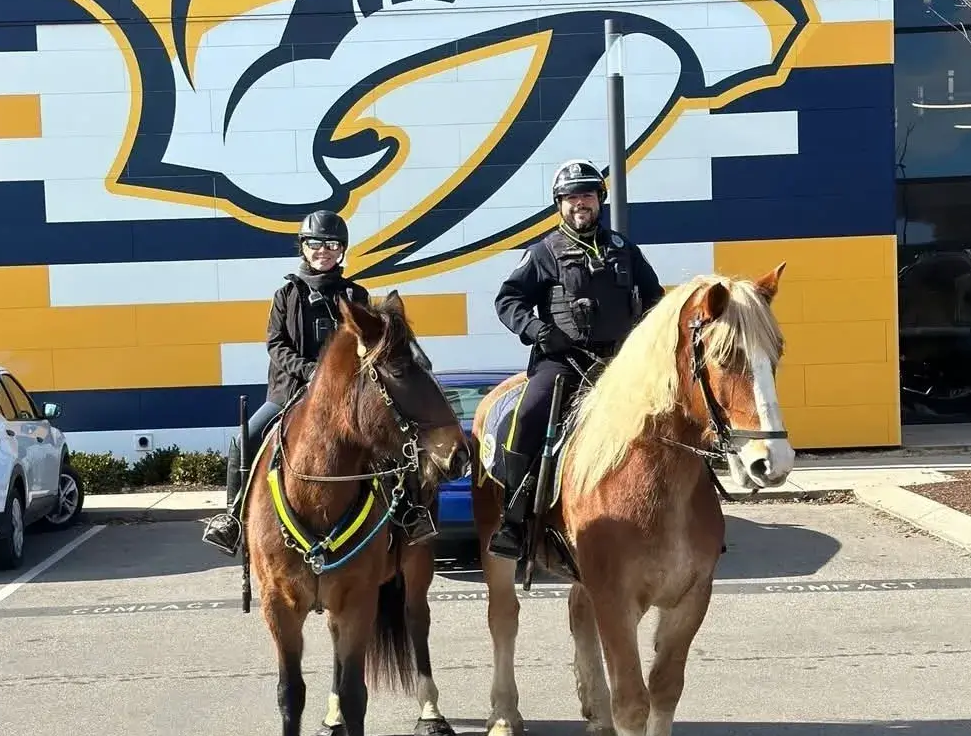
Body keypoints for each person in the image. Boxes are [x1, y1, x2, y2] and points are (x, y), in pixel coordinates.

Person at [202, 212, 438, 556]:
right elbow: (276, 345)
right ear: (303, 247)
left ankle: (409, 514)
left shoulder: (356, 295)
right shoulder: (286, 295)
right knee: (244, 440)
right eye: (315, 243)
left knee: (396, 439)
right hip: (290, 392)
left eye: (331, 245)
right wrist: (311, 372)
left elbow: (370, 347)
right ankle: (233, 519)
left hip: (348, 399)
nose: (323, 251)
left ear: (342, 250)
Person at [487, 157, 665, 560]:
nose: (579, 203)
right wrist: (538, 331)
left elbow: (656, 301)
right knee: (526, 416)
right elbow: (508, 300)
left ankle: (693, 511)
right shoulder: (543, 253)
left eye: (586, 195)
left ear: (599, 199)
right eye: (570, 197)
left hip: (620, 366)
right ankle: (514, 521)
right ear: (559, 204)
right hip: (563, 364)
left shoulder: (625, 250)